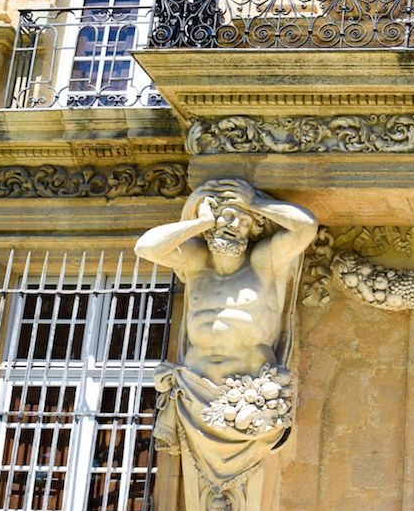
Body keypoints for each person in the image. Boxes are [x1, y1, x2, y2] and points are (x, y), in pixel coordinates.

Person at [135, 178, 317, 489]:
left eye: (245, 221)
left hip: (251, 401)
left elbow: (305, 228)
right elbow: (146, 247)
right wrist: (199, 220)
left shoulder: (263, 264)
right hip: (195, 395)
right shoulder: (195, 264)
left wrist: (256, 202)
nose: (236, 225)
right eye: (228, 217)